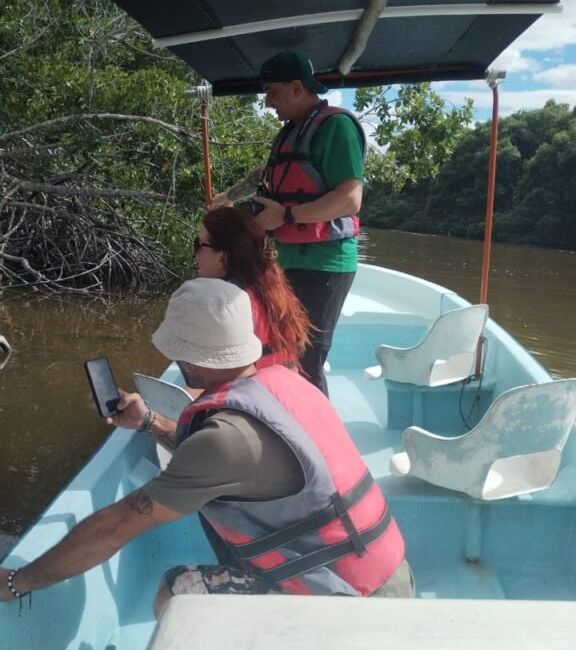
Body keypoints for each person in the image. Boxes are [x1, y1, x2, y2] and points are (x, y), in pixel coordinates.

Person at [0, 281, 414, 614]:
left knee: (178, 591)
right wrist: (148, 422)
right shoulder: (287, 383)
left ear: (185, 358)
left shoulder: (223, 439)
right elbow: (237, 461)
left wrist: (19, 581)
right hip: (390, 577)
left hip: (346, 606)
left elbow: (119, 523)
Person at [208, 48, 365, 397]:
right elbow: (264, 175)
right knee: (283, 351)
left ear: (297, 87)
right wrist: (228, 197)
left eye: (272, 92)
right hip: (291, 259)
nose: (267, 103)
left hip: (326, 264)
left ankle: (316, 429)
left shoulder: (336, 126)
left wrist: (288, 215)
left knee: (308, 361)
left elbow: (350, 199)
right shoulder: (290, 132)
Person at [194, 206, 310, 369]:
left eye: (199, 244)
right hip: (281, 381)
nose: (195, 252)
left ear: (222, 257)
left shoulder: (223, 305)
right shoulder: (272, 285)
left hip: (253, 384)